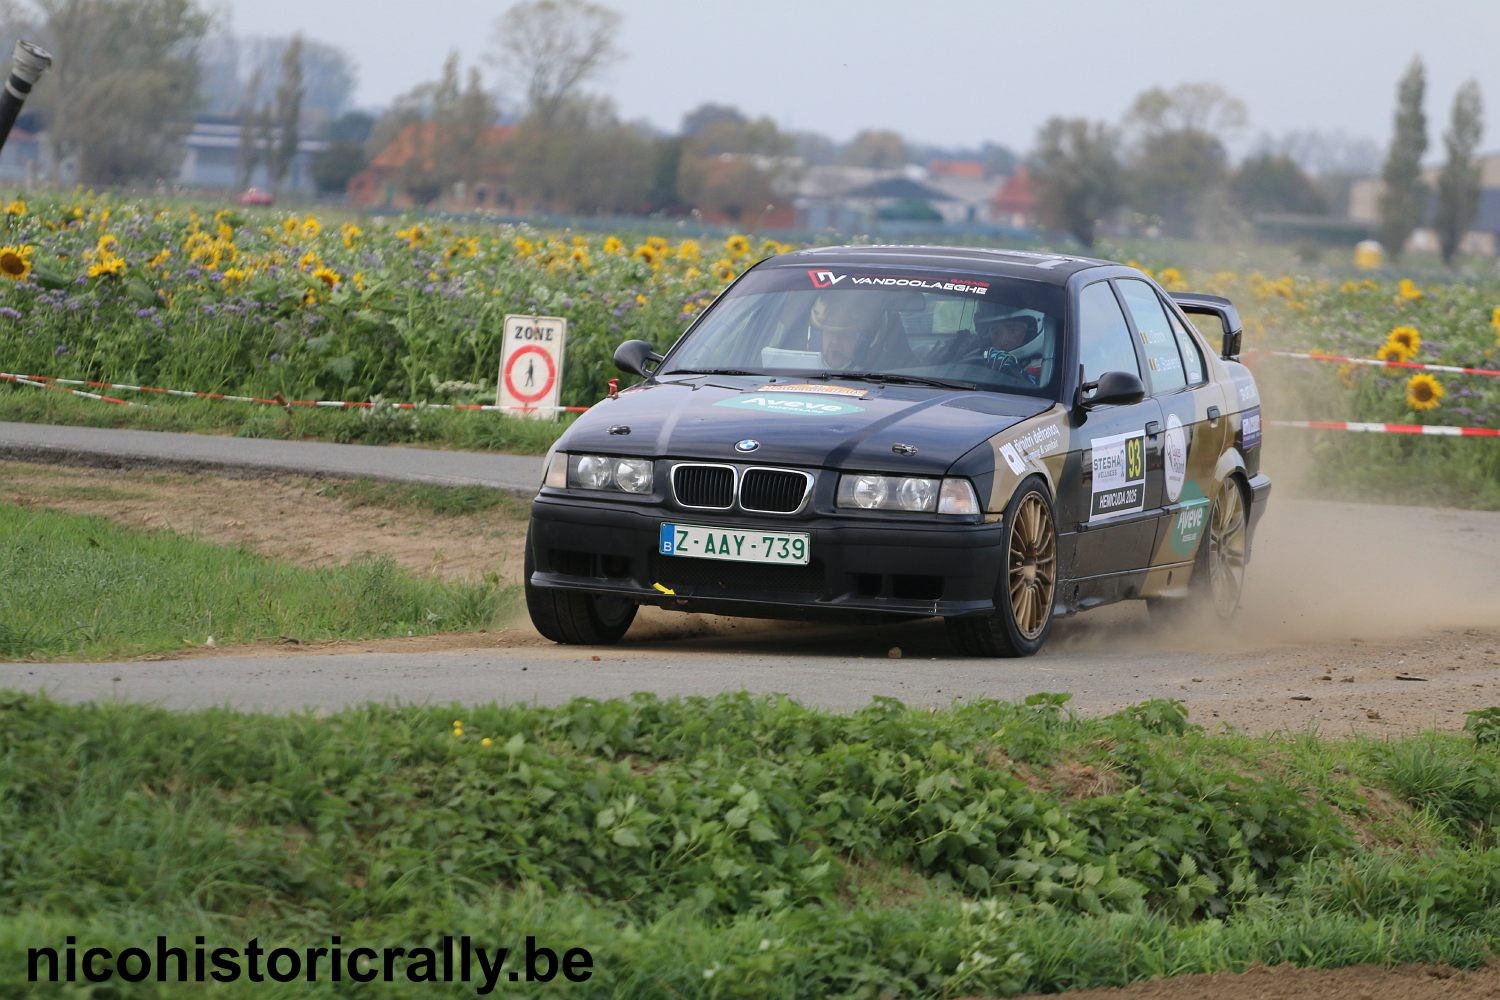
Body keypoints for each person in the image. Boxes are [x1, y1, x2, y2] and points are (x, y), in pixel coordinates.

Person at [805, 292, 888, 370]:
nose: (834, 342)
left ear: (868, 339)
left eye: (845, 334)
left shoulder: (895, 374)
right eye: (829, 332)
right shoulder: (800, 375)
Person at [970, 301, 1043, 384]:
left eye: (1013, 330)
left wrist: (1017, 374)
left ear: (1030, 332)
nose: (1003, 340)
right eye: (996, 332)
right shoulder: (981, 358)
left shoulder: (1044, 368)